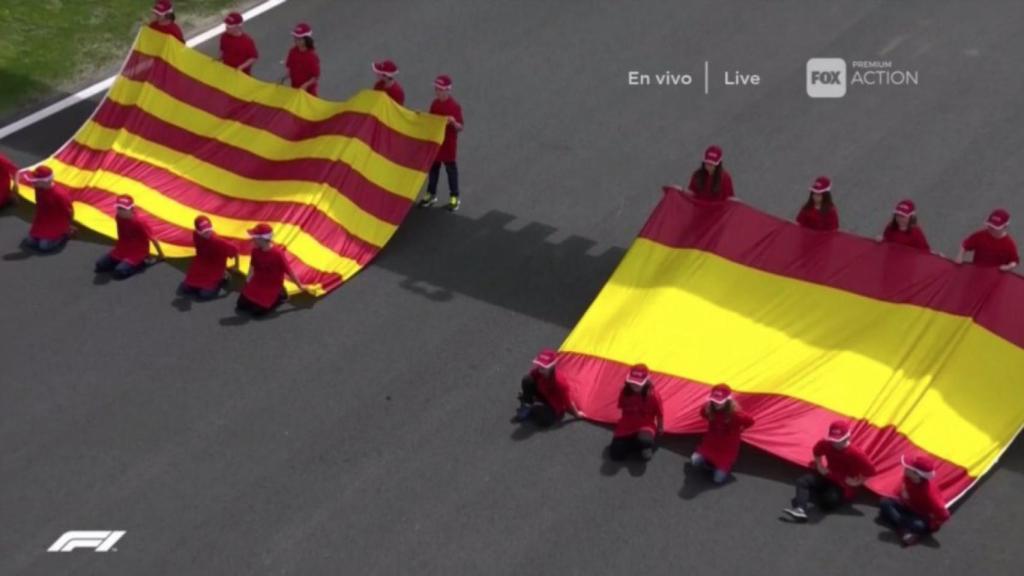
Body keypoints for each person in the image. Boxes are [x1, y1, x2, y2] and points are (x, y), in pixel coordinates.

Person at [782, 420, 877, 521]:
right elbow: (816, 451)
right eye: (832, 439)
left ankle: (819, 495)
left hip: (843, 485)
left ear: (847, 438)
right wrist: (819, 465)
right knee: (802, 481)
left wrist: (857, 482)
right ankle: (800, 509)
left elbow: (871, 471)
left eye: (838, 440)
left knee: (827, 503)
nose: (834, 443)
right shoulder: (826, 444)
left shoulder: (856, 453)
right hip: (828, 476)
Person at [237, 223, 310, 316]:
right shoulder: (255, 251)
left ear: (262, 239)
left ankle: (280, 295)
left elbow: (289, 271)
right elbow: (252, 266)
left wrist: (300, 286)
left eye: (254, 237)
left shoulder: (277, 254)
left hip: (272, 285)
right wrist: (247, 282)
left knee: (257, 313)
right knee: (241, 305)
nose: (252, 240)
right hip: (258, 281)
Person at [877, 454, 951, 547]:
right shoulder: (908, 477)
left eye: (908, 468)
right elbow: (903, 487)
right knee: (884, 502)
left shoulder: (930, 493)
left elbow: (944, 514)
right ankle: (904, 530)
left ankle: (900, 525)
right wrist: (904, 494)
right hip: (908, 507)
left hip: (921, 516)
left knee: (918, 525)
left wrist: (932, 522)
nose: (905, 468)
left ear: (917, 474)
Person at [689, 384, 754, 484]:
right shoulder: (707, 408)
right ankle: (710, 463)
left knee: (718, 479)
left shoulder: (737, 414)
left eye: (719, 402)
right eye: (714, 401)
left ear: (727, 401)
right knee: (694, 461)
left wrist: (741, 430)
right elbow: (703, 413)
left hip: (727, 449)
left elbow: (750, 421)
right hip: (711, 443)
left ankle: (721, 466)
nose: (716, 404)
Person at [419, 75, 465, 212]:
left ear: (447, 90)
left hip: (448, 146)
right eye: (436, 88)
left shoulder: (455, 107)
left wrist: (453, 122)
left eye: (439, 89)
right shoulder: (435, 104)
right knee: (433, 171)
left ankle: (454, 197)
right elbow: (431, 121)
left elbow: (460, 127)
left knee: (451, 172)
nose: (437, 91)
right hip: (436, 144)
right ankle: (431, 194)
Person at [95, 195, 164, 279]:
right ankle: (122, 263)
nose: (120, 211)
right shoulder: (118, 217)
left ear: (131, 209)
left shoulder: (139, 222)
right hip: (122, 249)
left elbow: (153, 239)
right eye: (119, 208)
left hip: (137, 252)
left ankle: (141, 263)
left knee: (119, 273)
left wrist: (161, 255)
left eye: (124, 209)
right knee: (99, 266)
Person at [512, 348, 584, 426]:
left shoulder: (560, 381)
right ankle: (528, 404)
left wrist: (577, 414)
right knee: (526, 379)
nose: (539, 370)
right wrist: (528, 393)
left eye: (542, 368)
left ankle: (532, 407)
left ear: (551, 367)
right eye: (539, 366)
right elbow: (529, 380)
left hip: (553, 406)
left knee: (545, 420)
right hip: (543, 394)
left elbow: (568, 401)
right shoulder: (539, 372)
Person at [608, 364, 664, 462]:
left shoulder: (654, 395)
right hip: (627, 425)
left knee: (645, 441)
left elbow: (660, 413)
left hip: (646, 425)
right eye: (632, 382)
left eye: (639, 383)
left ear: (646, 381)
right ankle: (637, 445)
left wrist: (660, 427)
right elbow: (623, 409)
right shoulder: (625, 392)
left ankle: (642, 444)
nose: (635, 386)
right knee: (615, 454)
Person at [179, 215, 240, 300]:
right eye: (204, 232)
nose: (207, 233)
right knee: (185, 288)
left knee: (204, 294)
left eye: (208, 230)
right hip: (201, 264)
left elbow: (235, 251)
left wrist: (236, 266)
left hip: (215, 268)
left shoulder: (218, 241)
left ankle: (222, 278)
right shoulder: (196, 235)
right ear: (198, 231)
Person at [21, 165, 74, 253]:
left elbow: (68, 211)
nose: (33, 183)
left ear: (46, 181)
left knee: (44, 246)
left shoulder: (59, 195)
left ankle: (65, 234)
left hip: (55, 222)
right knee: (30, 241)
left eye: (36, 181)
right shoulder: (39, 188)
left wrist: (66, 224)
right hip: (43, 220)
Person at [283, 23, 320, 96]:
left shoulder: (312, 57)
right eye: (295, 38)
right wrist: (283, 78)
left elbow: (315, 76)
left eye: (299, 39)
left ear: (306, 40)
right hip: (295, 89)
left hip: (309, 93)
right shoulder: (292, 52)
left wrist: (305, 85)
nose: (296, 41)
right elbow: (290, 68)